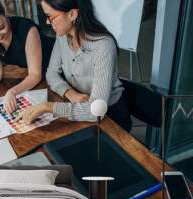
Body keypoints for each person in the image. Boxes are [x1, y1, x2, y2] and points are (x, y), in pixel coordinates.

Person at [17, 0, 134, 132]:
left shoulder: (103, 46)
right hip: (77, 106)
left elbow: (95, 112)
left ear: (72, 14)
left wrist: (47, 107)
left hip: (111, 118)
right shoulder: (62, 35)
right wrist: (70, 93)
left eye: (50, 16)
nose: (48, 22)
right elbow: (51, 73)